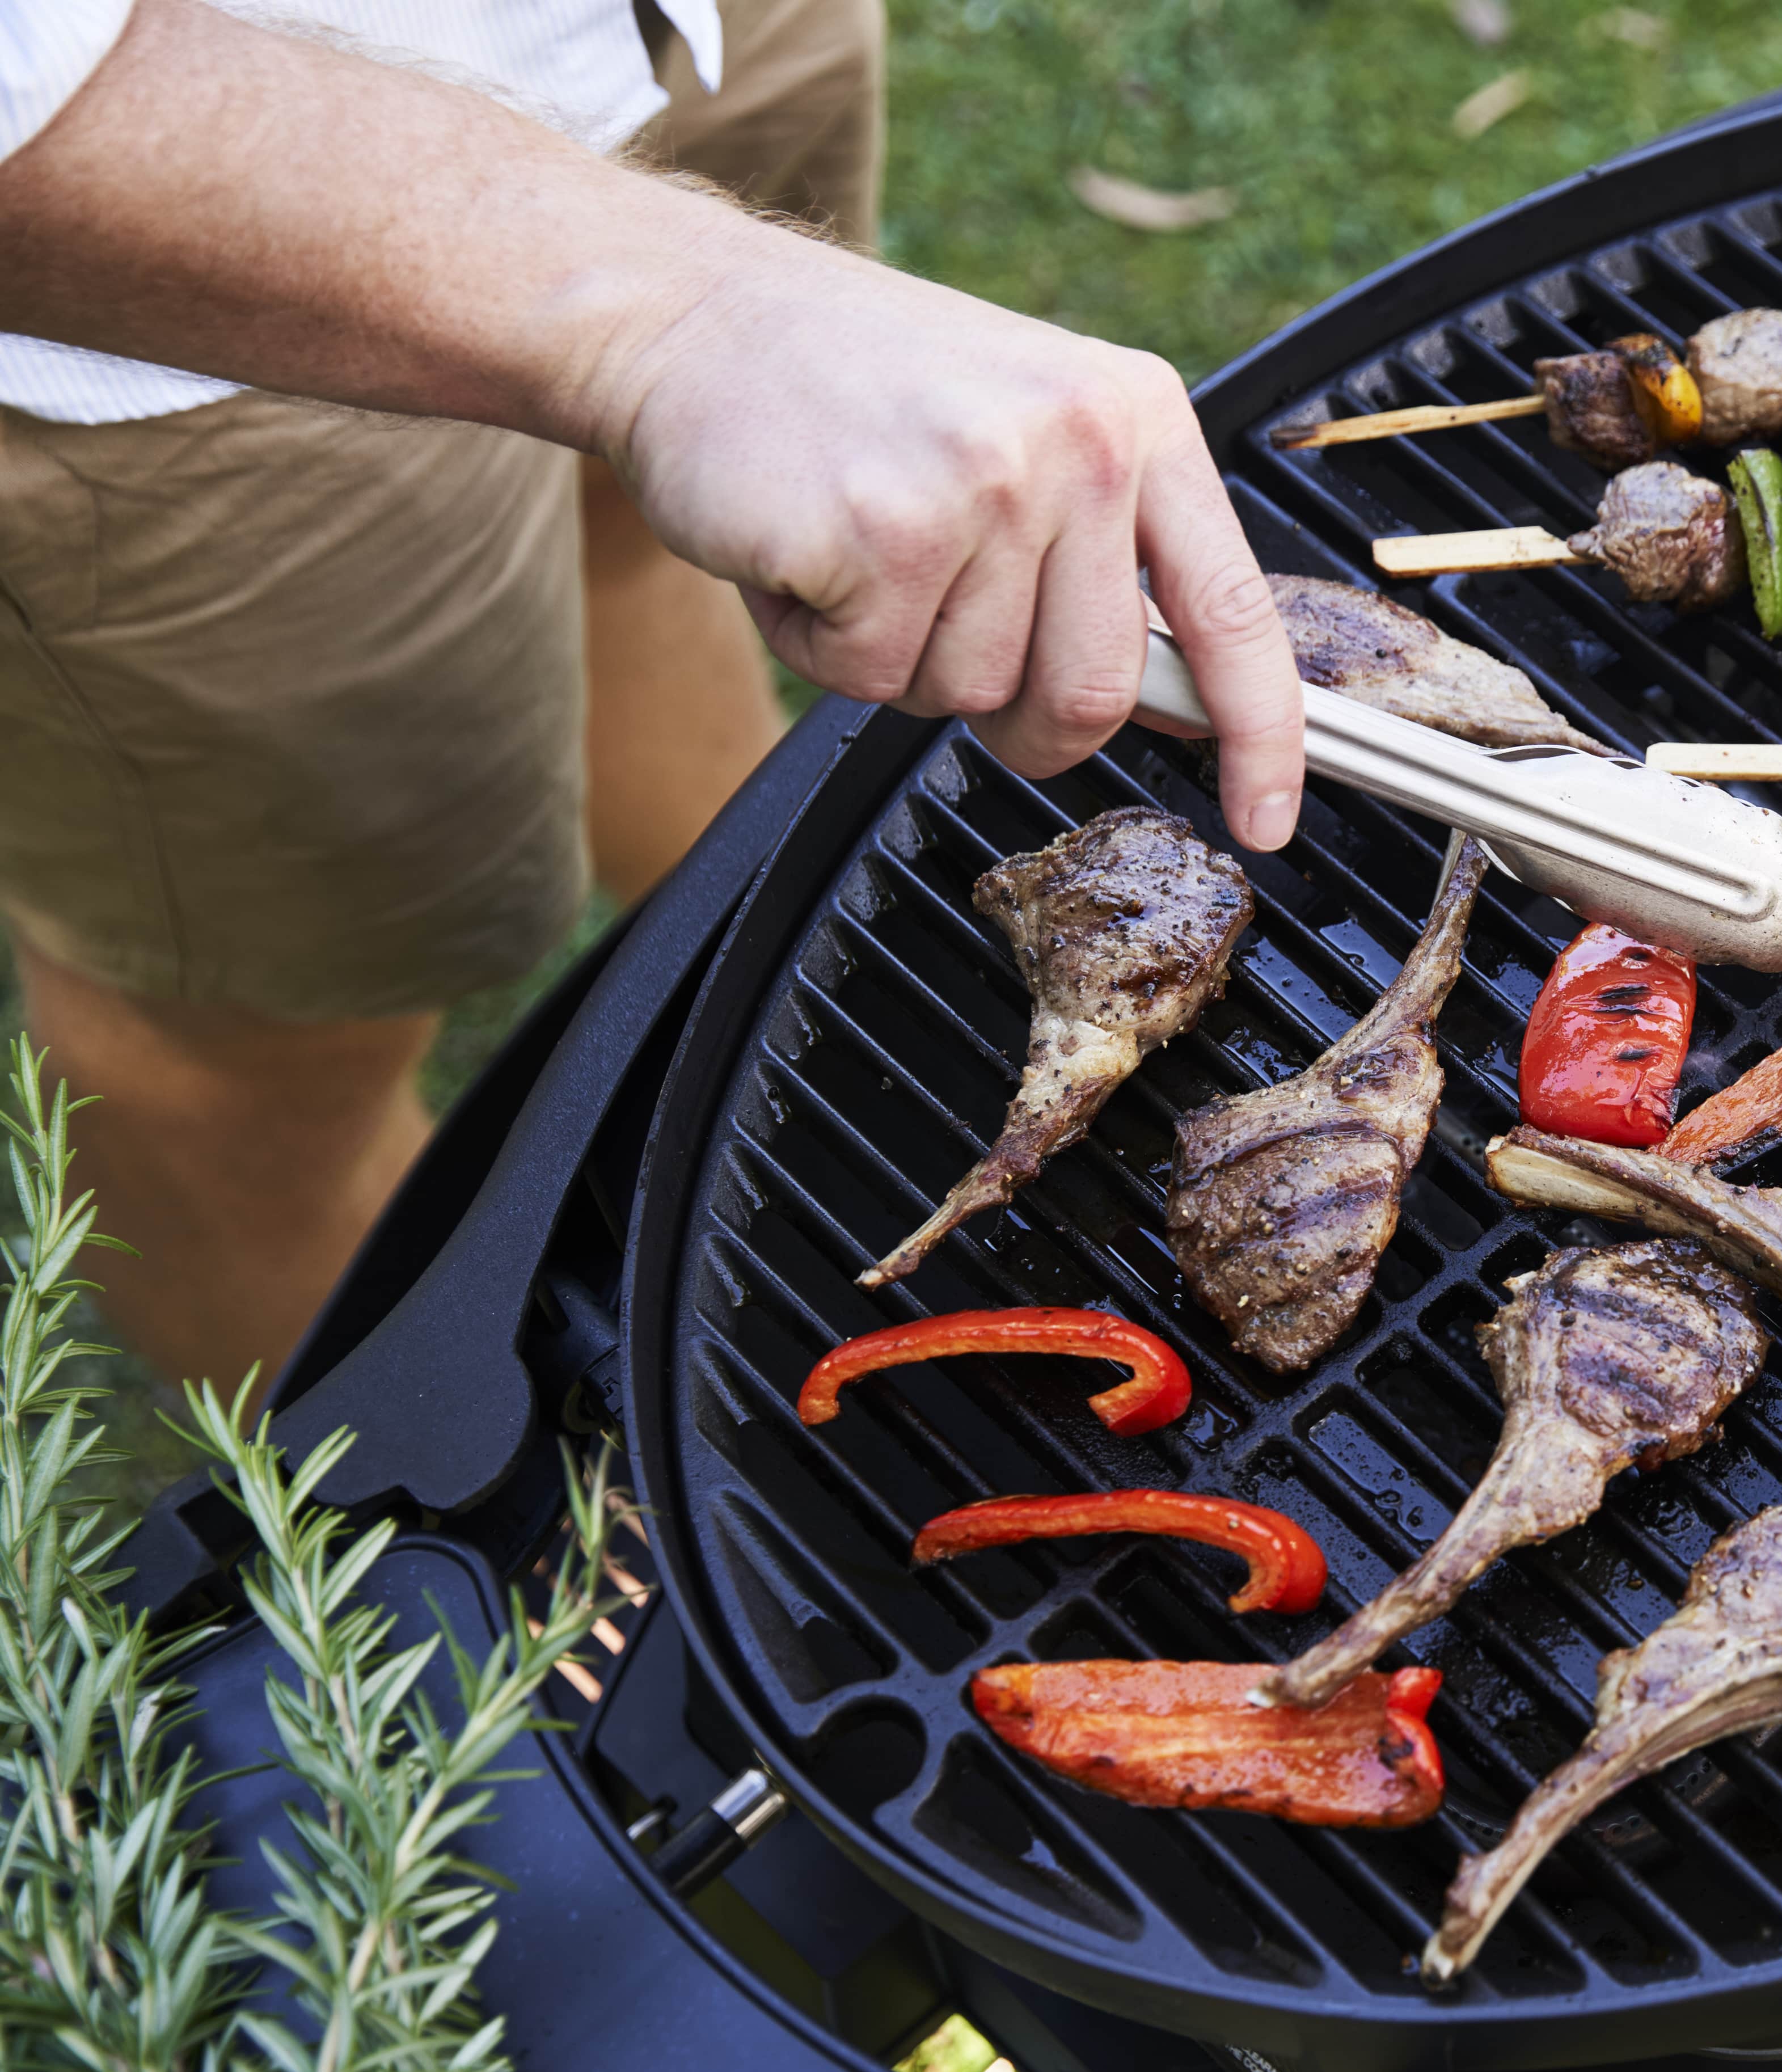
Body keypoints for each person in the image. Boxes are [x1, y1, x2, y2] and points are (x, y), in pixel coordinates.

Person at [0, 0, 1304, 1398]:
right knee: (249, 1027)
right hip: (166, 220)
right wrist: (675, 313)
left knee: (645, 536)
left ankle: (710, 1012)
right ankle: (333, 1463)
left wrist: (677, 322)